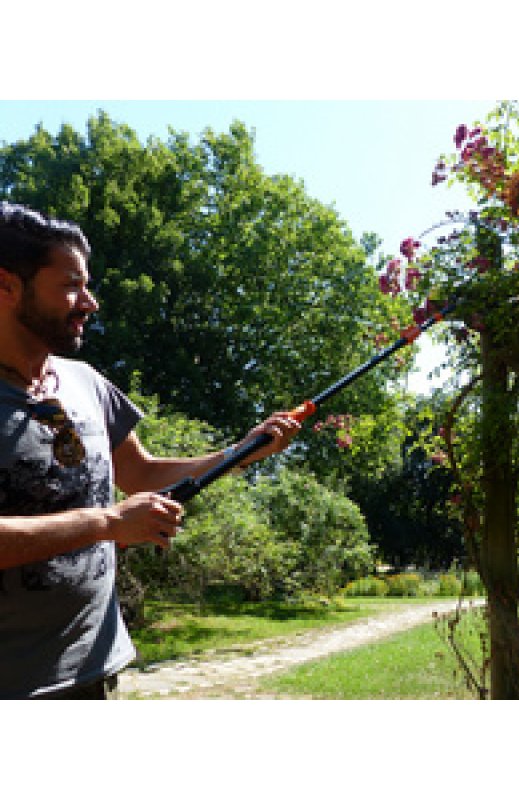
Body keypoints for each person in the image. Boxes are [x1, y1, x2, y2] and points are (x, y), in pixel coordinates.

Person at [0, 203, 301, 699]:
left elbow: (141, 473)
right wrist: (108, 524)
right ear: (7, 286)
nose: (90, 302)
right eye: (71, 284)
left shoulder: (85, 383)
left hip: (95, 668)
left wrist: (240, 453)